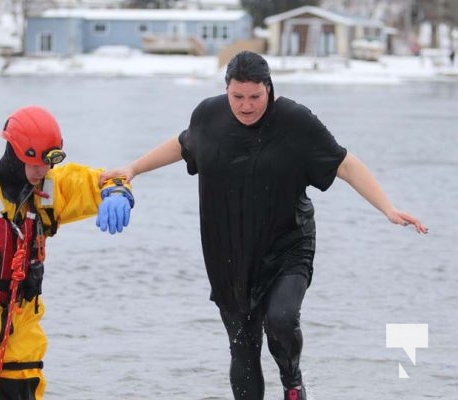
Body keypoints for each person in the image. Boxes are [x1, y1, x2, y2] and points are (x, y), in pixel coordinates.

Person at [98, 51, 428, 400]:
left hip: (288, 244)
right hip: (228, 253)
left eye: (255, 96)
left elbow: (345, 165)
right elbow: (184, 144)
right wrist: (133, 169)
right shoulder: (209, 115)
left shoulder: (295, 122)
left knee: (281, 318)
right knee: (243, 345)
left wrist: (387, 208)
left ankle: (292, 382)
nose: (246, 105)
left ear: (268, 89)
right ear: (226, 90)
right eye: (237, 96)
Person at [0, 105, 134, 400]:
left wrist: (116, 191)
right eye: (34, 163)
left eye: (48, 164)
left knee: (23, 390)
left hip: (18, 322)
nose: (42, 171)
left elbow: (103, 179)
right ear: (14, 153)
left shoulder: (49, 190)